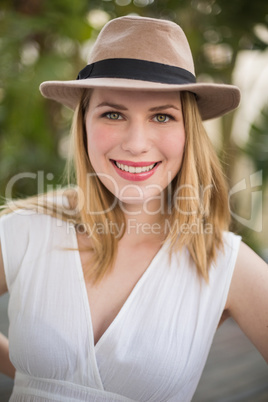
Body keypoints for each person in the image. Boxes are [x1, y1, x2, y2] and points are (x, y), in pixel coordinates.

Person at [0, 15, 267, 402]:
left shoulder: (223, 261)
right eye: (113, 114)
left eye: (162, 116)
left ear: (188, 131)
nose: (137, 143)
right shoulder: (27, 230)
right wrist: (30, 376)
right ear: (84, 125)